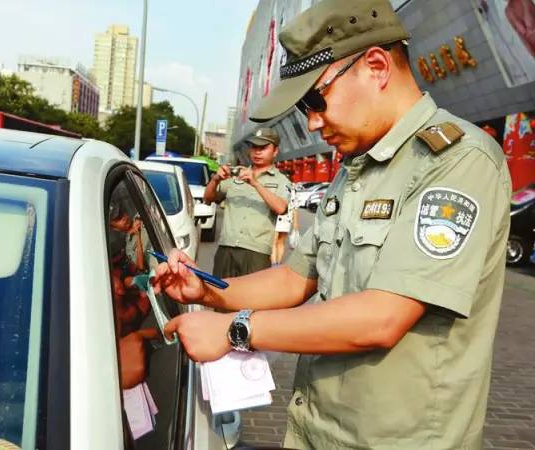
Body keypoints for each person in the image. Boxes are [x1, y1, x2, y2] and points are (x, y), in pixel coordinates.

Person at [153, 0, 512, 449]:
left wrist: (234, 330)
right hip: (318, 430)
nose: (314, 121)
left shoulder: (456, 161)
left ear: (376, 66)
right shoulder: (354, 168)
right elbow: (294, 277)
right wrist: (208, 291)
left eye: (316, 99)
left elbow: (383, 315)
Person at [204, 127, 290, 278]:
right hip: (227, 248)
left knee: (252, 300)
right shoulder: (236, 173)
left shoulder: (281, 181)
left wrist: (255, 183)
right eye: (254, 147)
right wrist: (215, 179)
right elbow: (208, 198)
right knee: (219, 298)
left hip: (256, 253)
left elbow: (281, 208)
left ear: (275, 151)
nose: (257, 152)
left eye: (263, 148)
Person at [271, 183, 299, 265]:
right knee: (280, 242)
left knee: (274, 241)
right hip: (287, 217)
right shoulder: (292, 187)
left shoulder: (278, 183)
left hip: (276, 215)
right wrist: (295, 224)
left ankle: (274, 264)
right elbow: (295, 205)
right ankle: (278, 263)